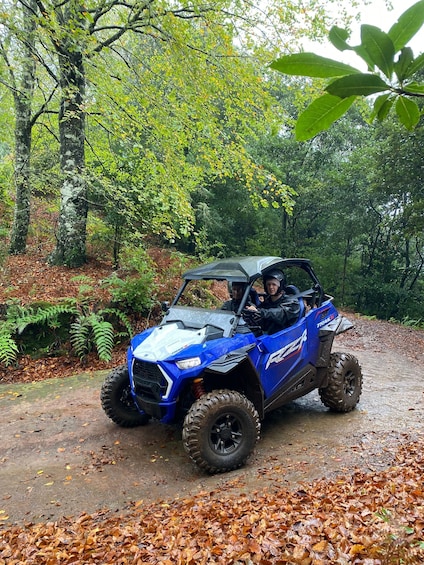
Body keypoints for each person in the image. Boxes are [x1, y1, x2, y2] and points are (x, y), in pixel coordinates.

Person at [245, 269, 300, 334]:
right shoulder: (267, 303)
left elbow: (279, 313)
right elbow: (261, 322)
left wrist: (260, 312)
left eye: (274, 284)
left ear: (280, 286)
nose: (271, 287)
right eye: (268, 284)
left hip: (286, 337)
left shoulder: (292, 302)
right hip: (269, 337)